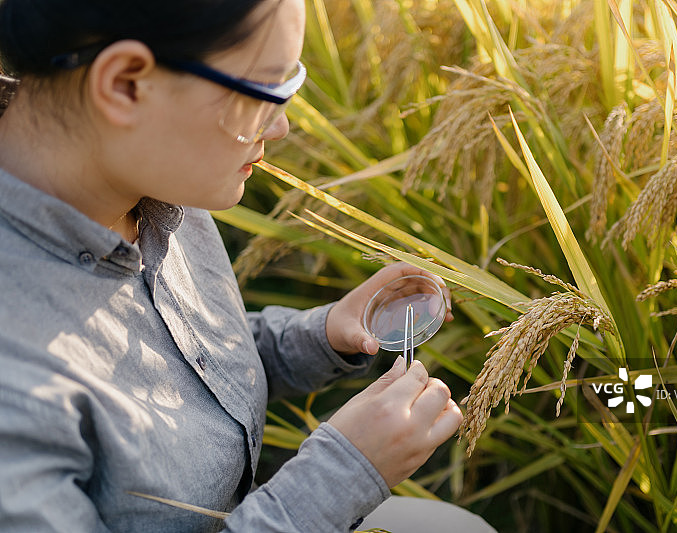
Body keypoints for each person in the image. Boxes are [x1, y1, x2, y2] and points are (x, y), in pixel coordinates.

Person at [0, 0, 470, 531]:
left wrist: (323, 335)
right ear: (126, 83)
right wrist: (341, 475)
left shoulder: (151, 179)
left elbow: (176, 360)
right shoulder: (13, 389)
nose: (282, 126)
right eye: (262, 91)